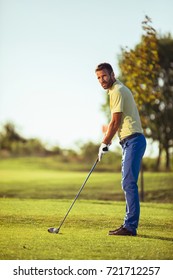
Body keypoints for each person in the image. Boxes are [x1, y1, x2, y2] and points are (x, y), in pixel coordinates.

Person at [95, 62, 146, 236]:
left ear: (112, 74)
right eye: (99, 78)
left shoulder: (117, 91)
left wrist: (104, 143)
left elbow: (115, 122)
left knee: (128, 183)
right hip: (129, 142)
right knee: (127, 183)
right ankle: (128, 224)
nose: (102, 80)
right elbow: (116, 122)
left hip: (133, 140)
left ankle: (130, 227)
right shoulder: (115, 90)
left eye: (104, 76)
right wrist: (108, 142)